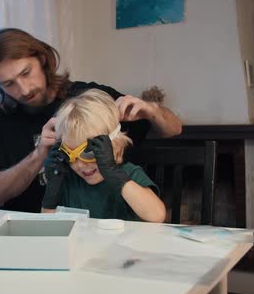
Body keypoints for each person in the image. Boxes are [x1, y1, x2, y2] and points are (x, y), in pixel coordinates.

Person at [0, 28, 181, 213]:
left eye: (26, 73)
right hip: (26, 226)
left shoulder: (88, 99)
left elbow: (174, 129)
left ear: (42, 59)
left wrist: (151, 110)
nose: (24, 90)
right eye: (8, 84)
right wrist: (40, 153)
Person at [40, 89, 166, 222]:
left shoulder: (129, 174)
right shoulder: (68, 180)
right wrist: (52, 189)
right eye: (69, 154)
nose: (81, 164)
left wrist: (115, 174)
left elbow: (157, 216)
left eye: (89, 153)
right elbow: (47, 225)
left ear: (116, 144)